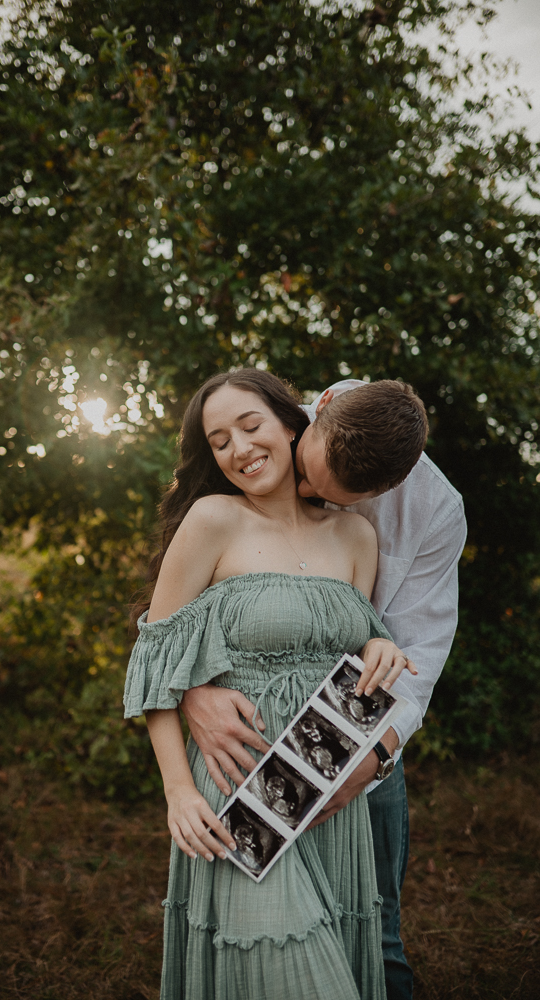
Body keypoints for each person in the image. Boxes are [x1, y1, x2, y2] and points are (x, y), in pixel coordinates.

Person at [124, 369, 418, 1000]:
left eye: (250, 426)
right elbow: (154, 663)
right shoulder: (212, 520)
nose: (237, 447)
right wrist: (178, 791)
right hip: (239, 788)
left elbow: (349, 641)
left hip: (321, 785)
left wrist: (378, 644)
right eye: (219, 439)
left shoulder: (357, 535)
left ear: (293, 425)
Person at [181, 377, 468, 1000]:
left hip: (355, 734)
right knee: (262, 937)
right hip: (248, 743)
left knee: (375, 935)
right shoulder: (257, 431)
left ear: (384, 491)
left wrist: (374, 759)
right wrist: (192, 692)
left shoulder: (435, 512)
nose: (303, 492)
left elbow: (419, 650)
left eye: (326, 494)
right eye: (308, 472)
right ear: (321, 410)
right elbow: (173, 605)